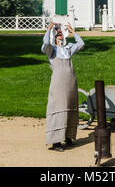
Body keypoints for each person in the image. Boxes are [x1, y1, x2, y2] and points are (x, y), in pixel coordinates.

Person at [41, 21, 85, 152]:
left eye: (61, 33)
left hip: (71, 81)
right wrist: (48, 29)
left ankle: (68, 136)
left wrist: (73, 32)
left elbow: (81, 44)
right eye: (57, 33)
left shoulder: (68, 48)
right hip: (58, 83)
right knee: (59, 108)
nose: (59, 34)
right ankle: (56, 142)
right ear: (53, 36)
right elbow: (46, 44)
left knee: (71, 107)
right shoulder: (51, 50)